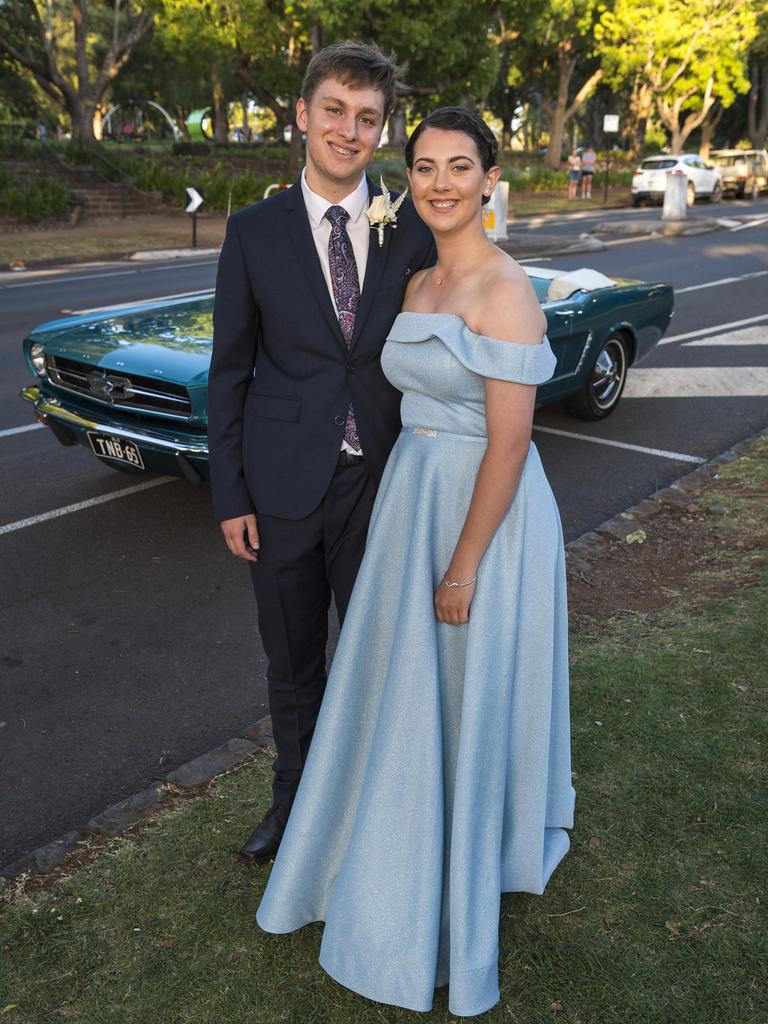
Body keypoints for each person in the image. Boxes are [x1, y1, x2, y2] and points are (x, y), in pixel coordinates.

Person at [256, 107, 575, 1018]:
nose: (440, 182)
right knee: (405, 688)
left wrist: (465, 566)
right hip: (413, 500)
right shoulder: (419, 280)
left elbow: (511, 445)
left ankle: (462, 850)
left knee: (463, 685)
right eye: (426, 166)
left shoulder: (505, 290)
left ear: (489, 180)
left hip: (485, 515)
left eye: (460, 167)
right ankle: (388, 836)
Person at [207, 41, 435, 865]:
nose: (350, 130)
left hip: (384, 483)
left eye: (368, 118)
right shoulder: (252, 232)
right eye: (335, 110)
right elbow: (228, 371)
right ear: (302, 115)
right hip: (281, 490)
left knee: (384, 660)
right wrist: (230, 494)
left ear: (382, 131)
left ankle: (378, 809)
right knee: (294, 663)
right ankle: (294, 807)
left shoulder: (412, 226)